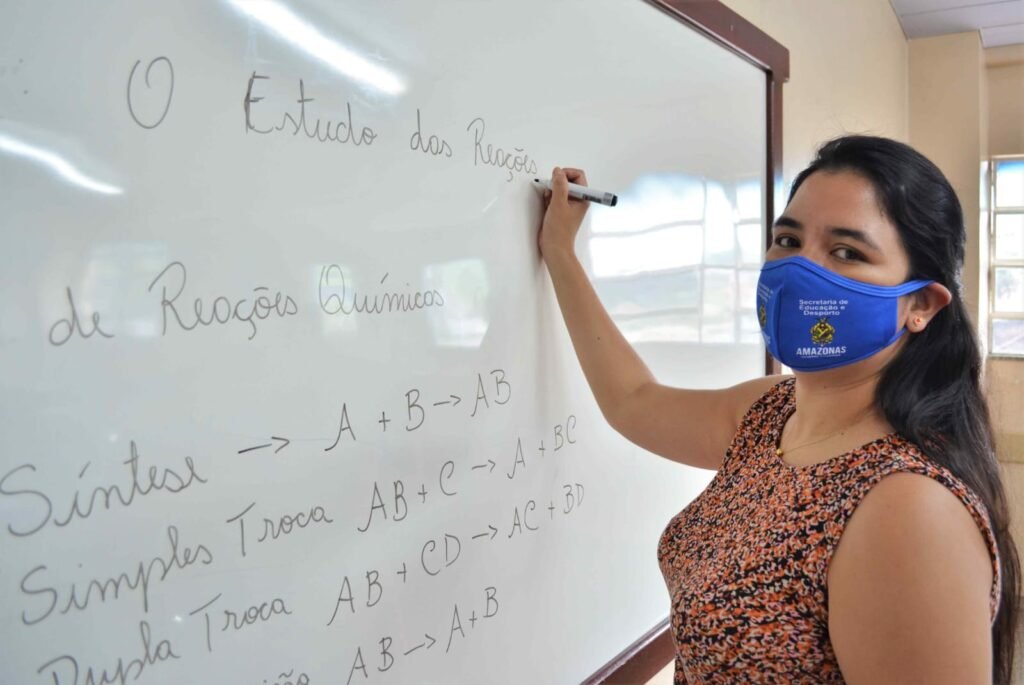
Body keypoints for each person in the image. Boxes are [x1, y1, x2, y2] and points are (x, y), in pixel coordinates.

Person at [536, 135, 1020, 684]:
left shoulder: (909, 508)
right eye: (787, 240)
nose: (798, 270)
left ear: (921, 304)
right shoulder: (769, 414)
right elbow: (635, 402)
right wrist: (560, 254)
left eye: (847, 252)